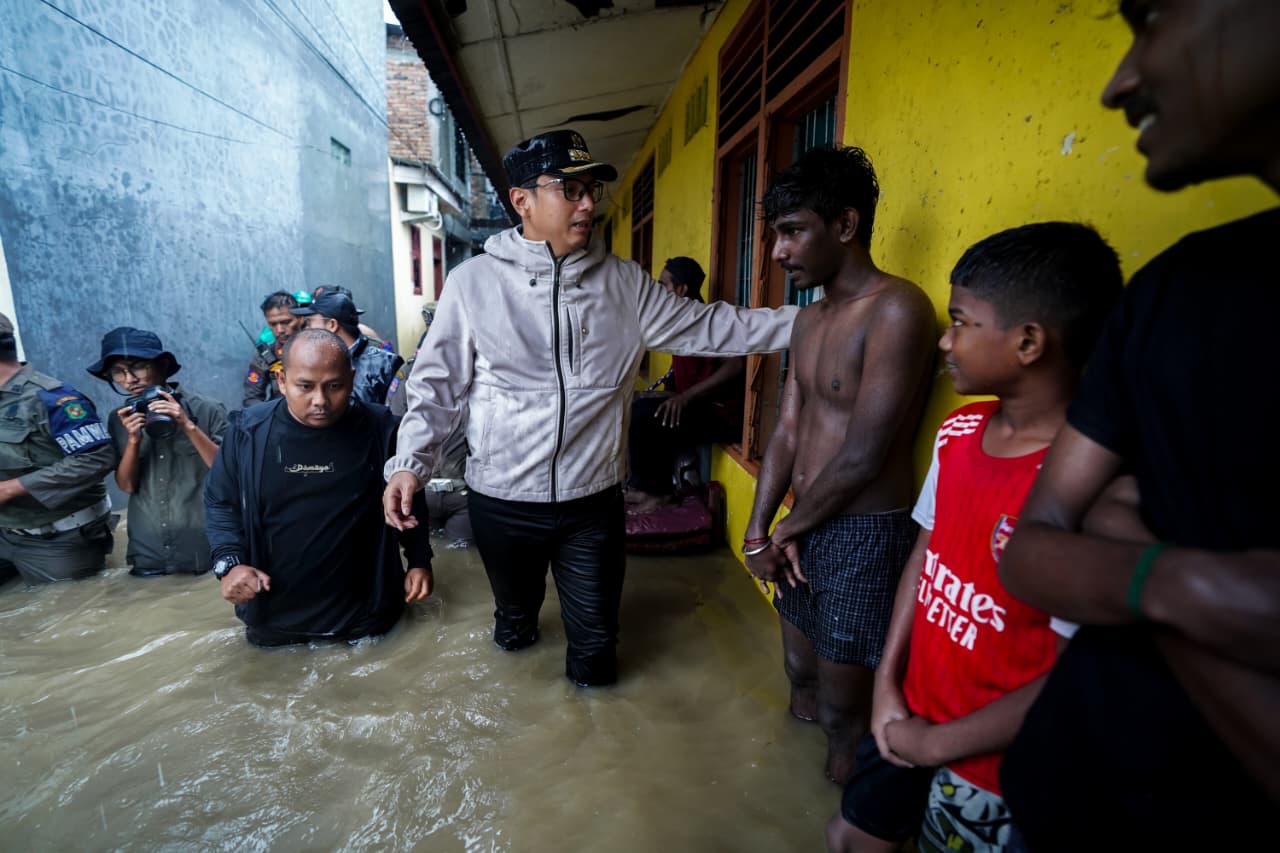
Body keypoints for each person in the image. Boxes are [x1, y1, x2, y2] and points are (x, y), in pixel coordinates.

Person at [994, 1, 1280, 846]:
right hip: (1063, 796)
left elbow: (1067, 533)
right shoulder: (1178, 291)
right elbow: (1033, 546)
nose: (1120, 82)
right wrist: (1187, 586)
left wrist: (1126, 549)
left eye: (1151, 15)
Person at [383, 129, 797, 687]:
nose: (588, 204)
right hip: (501, 501)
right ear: (522, 201)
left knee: (599, 654)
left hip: (592, 504)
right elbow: (435, 388)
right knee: (514, 627)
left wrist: (809, 322)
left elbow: (714, 325)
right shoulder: (473, 284)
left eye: (592, 191)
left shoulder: (624, 284)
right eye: (570, 190)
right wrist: (410, 463)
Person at [826, 223, 1123, 853]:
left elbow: (1080, 671)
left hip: (992, 763)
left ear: (1028, 342)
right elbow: (924, 560)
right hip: (908, 712)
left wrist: (939, 745)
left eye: (961, 321)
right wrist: (886, 684)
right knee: (851, 837)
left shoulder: (1090, 486)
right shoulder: (959, 432)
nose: (945, 339)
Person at [742, 146, 937, 784]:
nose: (778, 252)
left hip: (863, 535)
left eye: (793, 231)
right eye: (776, 234)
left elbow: (865, 452)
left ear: (845, 226)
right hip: (800, 528)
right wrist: (755, 533)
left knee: (843, 710)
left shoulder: (897, 310)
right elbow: (789, 429)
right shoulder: (807, 321)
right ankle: (787, 809)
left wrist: (785, 533)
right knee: (799, 676)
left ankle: (844, 815)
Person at [206, 329, 432, 647]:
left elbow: (409, 497)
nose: (320, 401)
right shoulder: (247, 433)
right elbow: (220, 502)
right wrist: (229, 564)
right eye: (305, 387)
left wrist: (419, 560)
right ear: (282, 381)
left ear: (351, 378)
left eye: (334, 386)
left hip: (367, 619)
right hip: (276, 622)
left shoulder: (382, 430)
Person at [86, 327, 227, 577]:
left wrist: (187, 425)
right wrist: (132, 440)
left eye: (138, 367)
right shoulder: (121, 419)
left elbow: (228, 474)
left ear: (162, 365)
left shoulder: (207, 410)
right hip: (148, 550)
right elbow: (127, 486)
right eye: (118, 372)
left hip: (203, 547)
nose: (129, 379)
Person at [0, 312, 117, 584]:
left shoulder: (52, 398)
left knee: (72, 609)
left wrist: (10, 488)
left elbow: (97, 458)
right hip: (6, 531)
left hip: (59, 539)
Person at [625, 256, 745, 513]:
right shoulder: (680, 320)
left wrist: (685, 396)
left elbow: (736, 366)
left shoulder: (708, 321)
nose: (658, 291)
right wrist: (663, 386)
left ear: (681, 290)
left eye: (663, 285)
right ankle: (640, 486)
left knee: (645, 417)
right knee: (633, 404)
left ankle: (659, 494)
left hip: (719, 414)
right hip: (695, 405)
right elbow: (688, 367)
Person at [291, 292, 403, 405]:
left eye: (309, 322)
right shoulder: (312, 360)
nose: (307, 329)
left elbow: (396, 411)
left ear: (332, 325)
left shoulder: (386, 364)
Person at [242, 290, 309, 408]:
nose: (280, 330)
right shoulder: (265, 355)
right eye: (273, 324)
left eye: (286, 322)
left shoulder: (319, 345)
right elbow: (252, 398)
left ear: (301, 318)